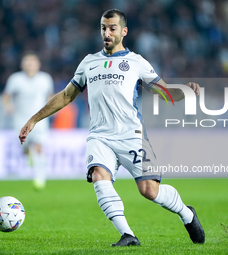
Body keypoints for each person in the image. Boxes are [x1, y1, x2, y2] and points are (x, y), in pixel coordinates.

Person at [19, 9, 205, 246]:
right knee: (99, 174)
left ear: (124, 31)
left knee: (149, 191)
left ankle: (187, 214)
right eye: (103, 28)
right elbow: (67, 95)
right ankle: (128, 235)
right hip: (100, 135)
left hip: (132, 136)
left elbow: (165, 93)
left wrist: (185, 91)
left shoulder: (136, 62)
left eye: (112, 28)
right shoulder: (89, 62)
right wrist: (34, 119)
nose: (106, 33)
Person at [3, 52, 54, 189]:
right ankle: (28, 153)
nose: (30, 65)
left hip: (40, 120)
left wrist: (51, 110)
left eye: (32, 62)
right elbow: (6, 96)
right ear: (22, 65)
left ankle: (40, 178)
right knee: (25, 148)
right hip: (21, 120)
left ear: (38, 64)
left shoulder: (45, 79)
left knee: (39, 147)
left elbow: (50, 96)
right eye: (27, 62)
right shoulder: (15, 79)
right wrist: (8, 106)